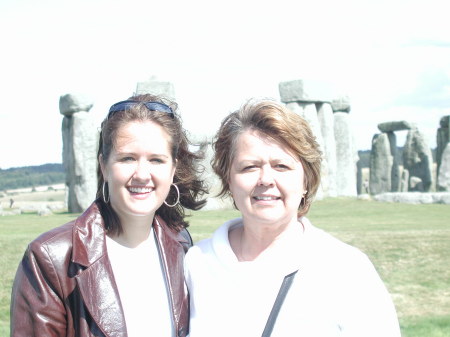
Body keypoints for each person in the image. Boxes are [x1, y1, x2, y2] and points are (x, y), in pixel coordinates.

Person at [184, 99, 401, 337]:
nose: (266, 179)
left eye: (281, 166)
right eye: (249, 167)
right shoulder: (196, 264)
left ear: (306, 180)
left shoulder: (348, 270)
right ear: (229, 181)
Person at [11, 93, 207, 337]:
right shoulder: (49, 259)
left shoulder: (182, 245)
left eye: (157, 160)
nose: (142, 174)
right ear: (104, 166)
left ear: (173, 169)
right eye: (128, 158)